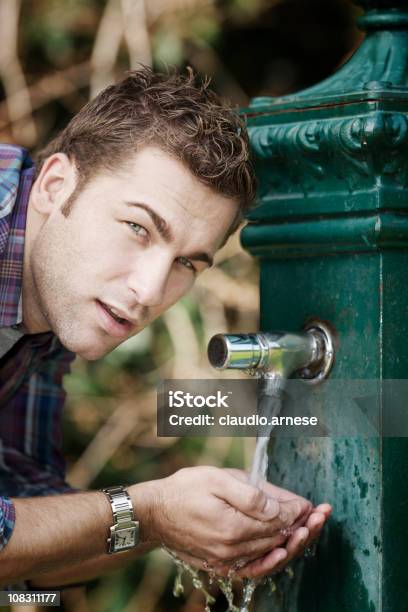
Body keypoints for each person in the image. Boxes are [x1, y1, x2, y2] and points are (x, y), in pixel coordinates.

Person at [0, 67, 331, 590]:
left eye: (186, 264)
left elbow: (29, 537)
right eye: (138, 228)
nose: (149, 290)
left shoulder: (49, 300)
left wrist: (185, 527)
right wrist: (151, 512)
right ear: (56, 184)